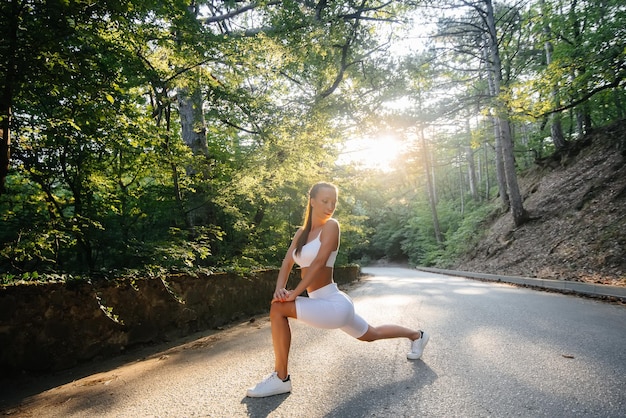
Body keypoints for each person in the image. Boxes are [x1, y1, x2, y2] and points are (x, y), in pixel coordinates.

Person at [246, 182, 429, 398]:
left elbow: (320, 261)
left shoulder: (331, 226)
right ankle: (417, 335)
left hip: (334, 305)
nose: (330, 206)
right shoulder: (301, 234)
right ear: (312, 201)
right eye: (325, 201)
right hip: (328, 302)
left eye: (334, 202)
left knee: (278, 310)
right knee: (371, 334)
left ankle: (281, 378)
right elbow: (287, 263)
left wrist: (293, 294)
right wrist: (280, 289)